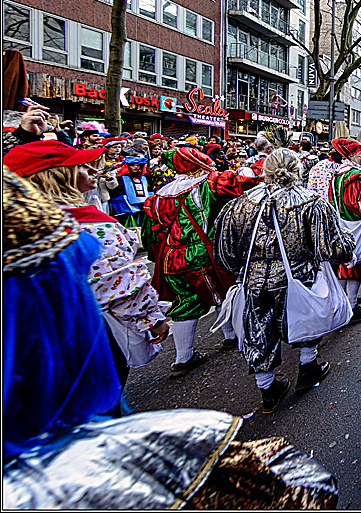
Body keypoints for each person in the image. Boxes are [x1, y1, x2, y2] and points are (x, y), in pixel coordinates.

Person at [1, 170, 341, 509]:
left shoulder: (179, 197)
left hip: (198, 264)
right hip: (265, 269)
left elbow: (199, 242)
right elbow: (307, 491)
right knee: (302, 322)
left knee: (251, 328)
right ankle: (302, 365)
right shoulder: (167, 457)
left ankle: (247, 378)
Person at [3, 142, 169, 399]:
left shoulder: (17, 227)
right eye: (80, 166)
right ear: (56, 176)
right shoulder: (90, 226)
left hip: (29, 339)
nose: (92, 169)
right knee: (99, 402)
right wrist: (152, 319)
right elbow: (119, 285)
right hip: (88, 331)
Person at [212, 149, 355, 413]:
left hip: (255, 281)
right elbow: (333, 248)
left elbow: (225, 252)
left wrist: (241, 269)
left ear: (265, 171)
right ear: (299, 171)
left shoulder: (241, 204)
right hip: (300, 277)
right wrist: (348, 248)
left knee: (259, 331)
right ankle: (307, 365)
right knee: (305, 319)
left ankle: (267, 389)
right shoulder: (313, 203)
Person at [142, 147, 259, 376]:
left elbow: (150, 234)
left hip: (171, 257)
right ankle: (230, 336)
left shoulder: (159, 196)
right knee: (222, 293)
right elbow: (245, 183)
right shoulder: (209, 183)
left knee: (186, 303)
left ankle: (183, 357)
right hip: (200, 254)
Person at [310, 138, 361, 322]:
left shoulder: (339, 172)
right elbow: (360, 204)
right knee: (357, 265)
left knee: (343, 264)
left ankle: (343, 303)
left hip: (341, 223)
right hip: (355, 226)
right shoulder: (354, 175)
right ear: (351, 155)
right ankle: (351, 307)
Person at [107, 155, 152, 232]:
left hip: (142, 207)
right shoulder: (121, 177)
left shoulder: (144, 177)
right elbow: (116, 192)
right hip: (125, 207)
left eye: (137, 165)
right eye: (132, 165)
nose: (135, 167)